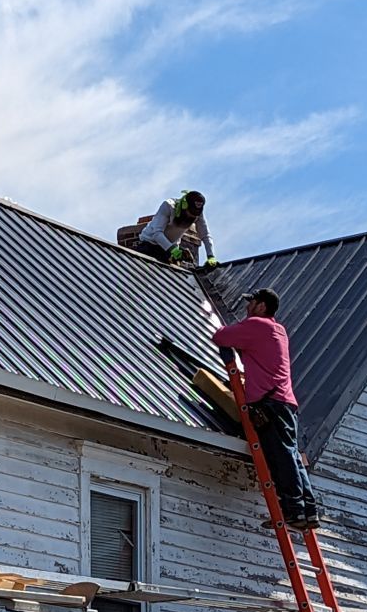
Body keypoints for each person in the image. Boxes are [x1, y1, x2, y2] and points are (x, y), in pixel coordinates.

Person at [213, 288, 320, 528]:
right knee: (291, 454)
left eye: (251, 303)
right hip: (284, 402)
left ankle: (293, 509)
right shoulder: (278, 330)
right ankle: (307, 509)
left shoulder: (258, 326)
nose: (247, 307)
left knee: (280, 456)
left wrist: (238, 333)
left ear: (262, 306)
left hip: (268, 402)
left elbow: (220, 336)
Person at [137, 191, 216, 268]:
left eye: (194, 216)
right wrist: (173, 250)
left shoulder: (198, 215)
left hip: (168, 251)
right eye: (190, 213)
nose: (191, 217)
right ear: (184, 206)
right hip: (149, 246)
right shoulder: (168, 206)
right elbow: (157, 234)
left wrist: (211, 256)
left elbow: (205, 235)